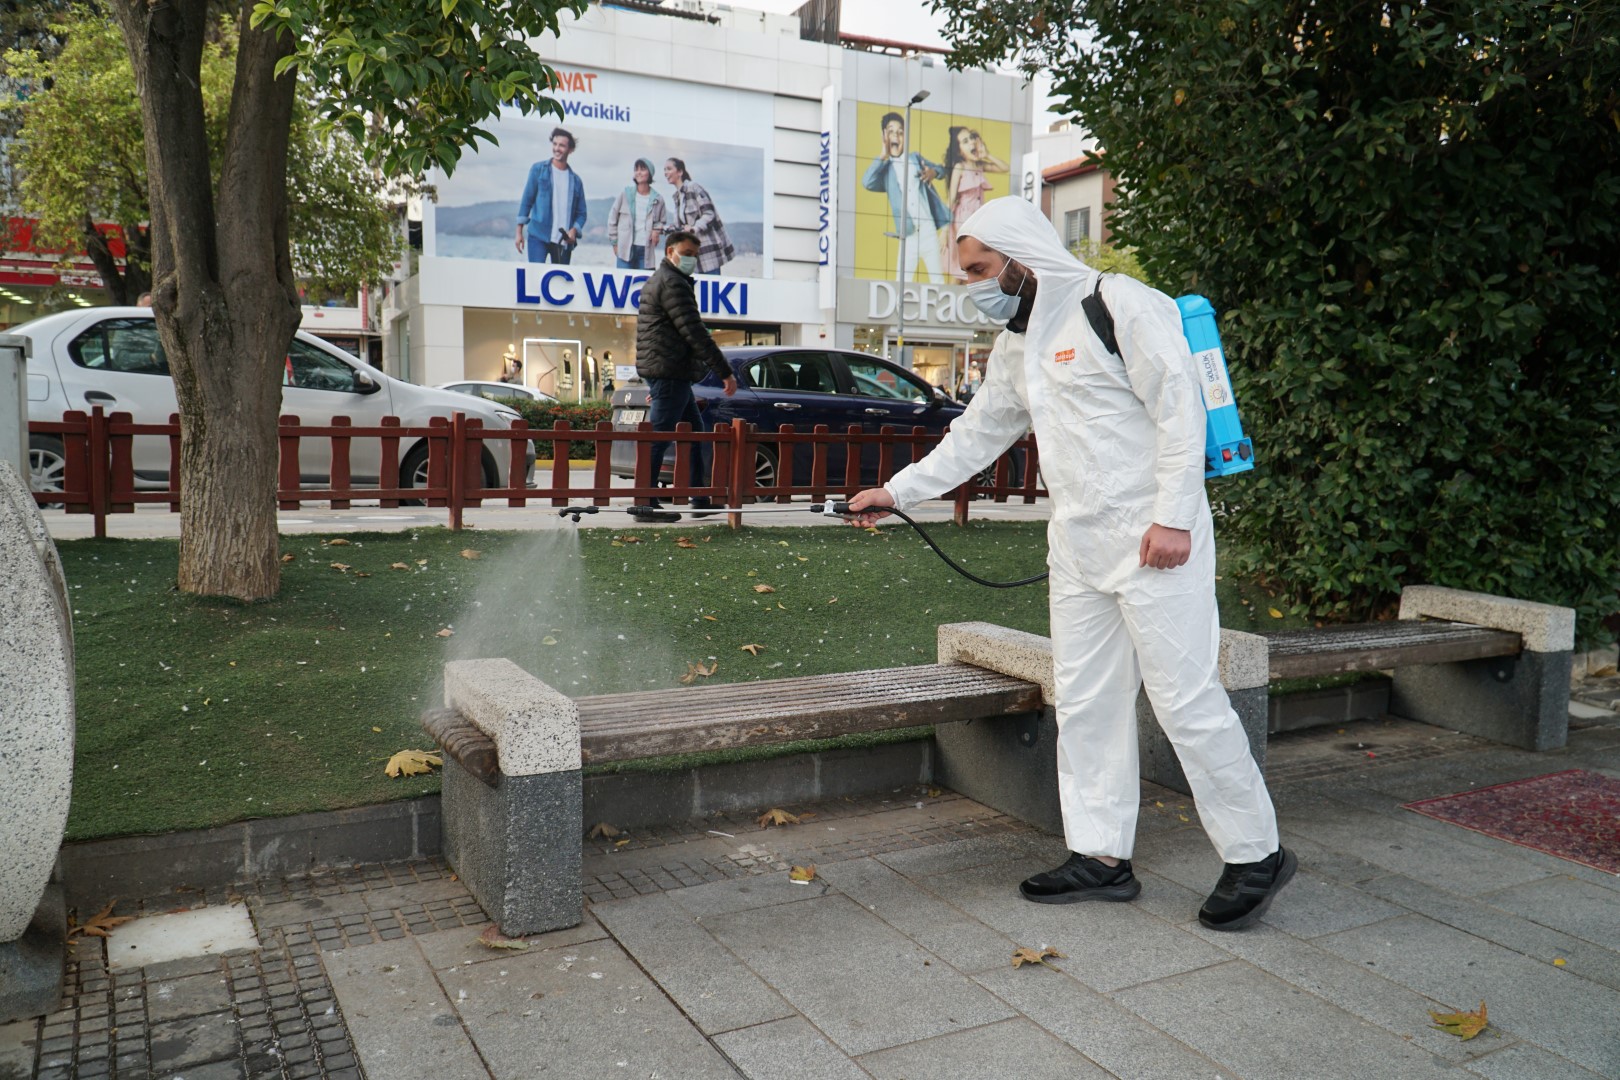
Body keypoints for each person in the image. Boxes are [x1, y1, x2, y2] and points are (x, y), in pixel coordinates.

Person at [845, 197, 1294, 932]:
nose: (975, 286)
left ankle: (1256, 853)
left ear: (1022, 256)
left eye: (982, 270)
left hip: (1157, 541)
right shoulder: (1016, 346)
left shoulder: (1116, 303)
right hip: (1079, 549)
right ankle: (1100, 856)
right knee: (1085, 700)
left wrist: (1174, 518)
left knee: (1184, 700)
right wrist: (895, 492)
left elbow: (1178, 407)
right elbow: (976, 436)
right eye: (966, 275)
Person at [634, 230, 738, 511]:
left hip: (669, 372)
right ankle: (645, 503)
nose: (692, 259)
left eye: (695, 255)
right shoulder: (673, 283)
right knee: (660, 436)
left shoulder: (662, 280)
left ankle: (699, 497)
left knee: (695, 432)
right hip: (670, 371)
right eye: (687, 254)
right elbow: (694, 332)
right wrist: (725, 372)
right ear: (670, 252)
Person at [862, 111, 950, 285]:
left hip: (928, 230)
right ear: (884, 136)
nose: (896, 135)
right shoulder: (885, 170)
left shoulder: (915, 158)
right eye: (891, 131)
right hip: (908, 235)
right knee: (902, 282)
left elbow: (941, 170)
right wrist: (882, 155)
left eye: (900, 132)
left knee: (937, 280)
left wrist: (933, 172)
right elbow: (867, 182)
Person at [943, 127, 1008, 282]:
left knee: (971, 268)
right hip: (963, 219)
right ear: (959, 150)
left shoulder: (979, 165)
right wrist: (945, 230)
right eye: (965, 141)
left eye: (972, 138)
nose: (971, 142)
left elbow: (1005, 168)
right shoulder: (960, 167)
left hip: (978, 220)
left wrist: (987, 155)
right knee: (965, 265)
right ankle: (951, 298)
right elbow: (951, 198)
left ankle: (959, 301)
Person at [515, 127, 586, 264]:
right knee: (535, 278)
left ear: (570, 149)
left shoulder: (576, 181)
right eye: (555, 144)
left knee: (560, 283)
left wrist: (574, 230)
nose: (557, 148)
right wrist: (519, 232)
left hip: (563, 242)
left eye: (562, 145)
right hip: (538, 236)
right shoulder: (538, 170)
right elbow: (527, 201)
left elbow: (582, 213)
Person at [664, 158, 734, 274]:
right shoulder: (677, 197)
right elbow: (680, 226)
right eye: (665, 170)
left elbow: (709, 214)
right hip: (692, 256)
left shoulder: (694, 187)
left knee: (712, 291)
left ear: (680, 172)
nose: (665, 172)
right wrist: (664, 229)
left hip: (708, 255)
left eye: (669, 169)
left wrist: (694, 228)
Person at [608, 158, 667, 270]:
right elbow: (612, 219)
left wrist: (656, 229)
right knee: (623, 284)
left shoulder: (658, 199)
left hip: (646, 251)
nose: (638, 172)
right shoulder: (625, 194)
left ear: (650, 173)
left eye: (643, 169)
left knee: (645, 286)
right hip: (624, 249)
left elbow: (662, 221)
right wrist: (615, 243)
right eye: (636, 169)